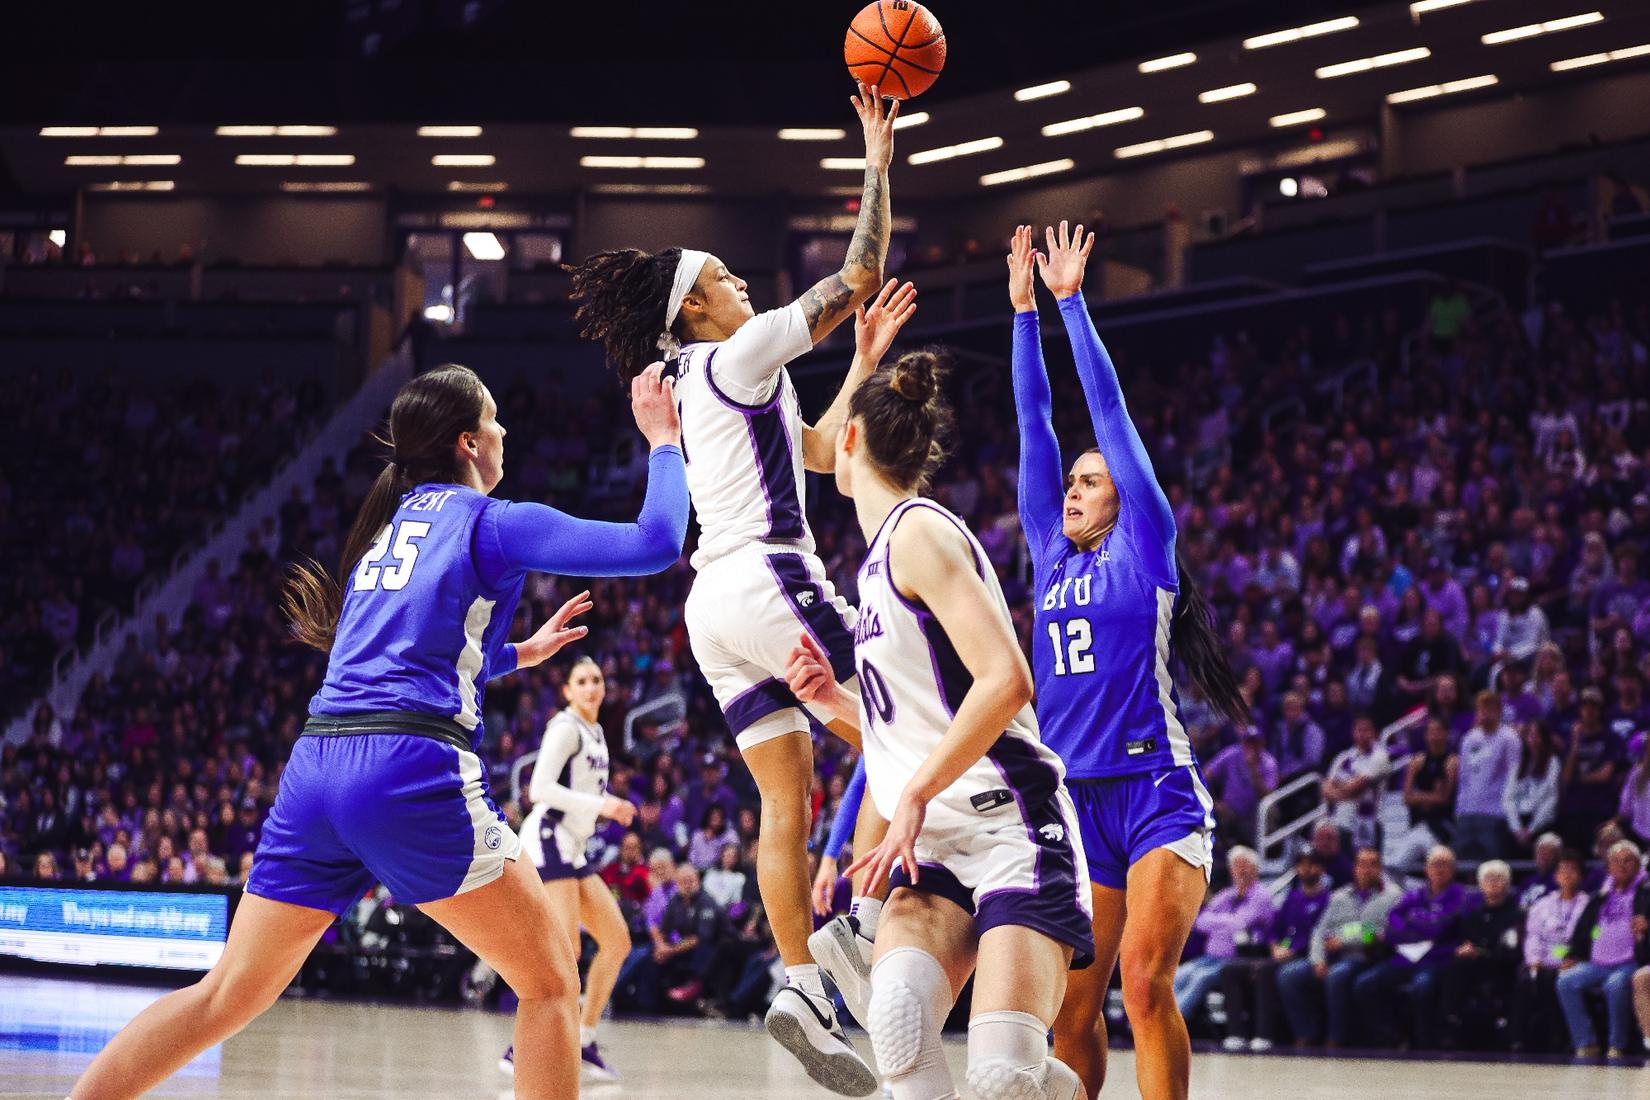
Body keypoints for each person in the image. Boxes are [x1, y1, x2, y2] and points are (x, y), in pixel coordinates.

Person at [68, 363, 689, 1100]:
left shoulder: (386, 534)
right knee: (551, 978)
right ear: (468, 443)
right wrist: (663, 439)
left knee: (226, 994)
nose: (504, 433)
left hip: (318, 766)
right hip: (408, 769)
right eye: (494, 420)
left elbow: (418, 657)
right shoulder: (496, 521)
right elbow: (656, 541)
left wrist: (522, 653)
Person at [561, 87, 903, 1093]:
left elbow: (823, 451)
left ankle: (799, 981)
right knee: (904, 718)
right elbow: (859, 270)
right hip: (770, 572)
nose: (741, 278)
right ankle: (863, 926)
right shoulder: (742, 349)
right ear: (693, 309)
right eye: (722, 275)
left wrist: (863, 359)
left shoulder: (727, 380)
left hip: (713, 611)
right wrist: (876, 162)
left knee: (783, 801)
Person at [783, 342, 1093, 1100]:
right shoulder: (876, 561)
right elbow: (917, 734)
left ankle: (1040, 1086)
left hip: (1011, 826)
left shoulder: (920, 532)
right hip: (935, 848)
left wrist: (915, 794)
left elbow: (1008, 680)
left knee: (998, 1079)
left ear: (849, 440)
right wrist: (834, 707)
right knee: (896, 1021)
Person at [1007, 221, 1249, 1100]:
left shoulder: (1146, 546)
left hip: (1154, 793)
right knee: (1074, 1010)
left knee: (1144, 985)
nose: (1072, 488)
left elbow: (1107, 415)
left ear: (1123, 497)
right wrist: (1021, 317)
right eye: (1069, 480)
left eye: (1090, 481)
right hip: (1076, 799)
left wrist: (1071, 306)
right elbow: (1034, 420)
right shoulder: (1048, 550)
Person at [500, 656, 635, 1083]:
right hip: (547, 838)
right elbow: (539, 789)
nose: (592, 686)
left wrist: (607, 803)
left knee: (616, 942)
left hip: (573, 846)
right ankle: (519, 1049)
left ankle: (584, 1038)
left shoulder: (595, 732)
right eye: (582, 680)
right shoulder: (565, 727)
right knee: (565, 951)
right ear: (568, 691)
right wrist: (604, 805)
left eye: (597, 678)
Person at [1275, 846, 1401, 1048]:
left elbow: (1380, 933)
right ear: (1355, 868)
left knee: (1337, 975)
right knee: (1288, 974)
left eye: (1372, 864)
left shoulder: (1393, 897)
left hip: (1366, 957)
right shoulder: (1340, 896)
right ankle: (1306, 1033)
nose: (1366, 869)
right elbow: (1319, 931)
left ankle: (1336, 1038)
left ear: (1380, 868)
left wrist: (1344, 938)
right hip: (1331, 956)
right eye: (1362, 864)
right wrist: (1318, 960)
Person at [1352, 845, 1472, 1049]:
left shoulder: (1462, 896)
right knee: (1365, 984)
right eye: (1435, 864)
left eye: (1444, 865)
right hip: (1403, 957)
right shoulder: (1413, 895)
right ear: (1426, 869)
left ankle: (1424, 1043)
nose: (1439, 869)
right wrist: (1420, 929)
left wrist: (1413, 927)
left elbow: (1441, 928)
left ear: (1453, 869)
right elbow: (1392, 925)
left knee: (1422, 987)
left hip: (1436, 959)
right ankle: (1391, 1036)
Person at [1220, 847, 1333, 1052]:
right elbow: (1275, 928)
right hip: (1279, 953)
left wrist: (1294, 950)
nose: (1306, 869)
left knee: (1266, 972)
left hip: (1305, 956)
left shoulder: (1327, 899)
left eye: (1311, 865)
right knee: (1231, 969)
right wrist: (1274, 945)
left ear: (1321, 869)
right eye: (1302, 865)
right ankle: (1236, 1033)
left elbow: (1320, 933)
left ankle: (1265, 1034)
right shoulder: (1293, 897)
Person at [1556, 839, 1646, 1058]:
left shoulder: (1646, 894)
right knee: (1566, 981)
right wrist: (1572, 956)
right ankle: (1586, 1043)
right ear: (1609, 867)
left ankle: (1618, 1045)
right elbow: (1584, 931)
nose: (1622, 866)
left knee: (1615, 986)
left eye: (1627, 861)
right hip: (1597, 963)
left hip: (1630, 963)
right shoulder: (1599, 898)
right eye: (1616, 861)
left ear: (1637, 866)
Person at [1173, 847, 1272, 1026]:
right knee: (1178, 975)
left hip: (1236, 961)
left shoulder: (1261, 896)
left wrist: (1218, 922)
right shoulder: (1226, 895)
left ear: (1255, 869)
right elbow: (1201, 921)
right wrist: (1228, 922)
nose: (1240, 870)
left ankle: (1173, 1024)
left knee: (1200, 978)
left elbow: (1242, 923)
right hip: (1209, 958)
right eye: (1236, 866)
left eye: (1245, 865)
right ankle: (1158, 1020)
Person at [1437, 860, 1521, 1049]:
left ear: (1507, 883)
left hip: (1503, 964)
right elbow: (1464, 940)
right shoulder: (1473, 915)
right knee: (1455, 964)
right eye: (1488, 878)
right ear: (1480, 884)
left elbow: (1511, 948)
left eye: (1498, 878)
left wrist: (1480, 951)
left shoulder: (1516, 914)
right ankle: (1451, 1022)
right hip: (1473, 966)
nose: (1492, 882)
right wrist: (1464, 949)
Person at [1514, 849, 1589, 1053]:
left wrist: (1578, 956)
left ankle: (1559, 1035)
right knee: (1525, 977)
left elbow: (1596, 934)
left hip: (1574, 957)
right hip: (1543, 956)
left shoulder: (1589, 905)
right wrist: (1534, 959)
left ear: (1581, 876)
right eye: (1562, 870)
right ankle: (1520, 1037)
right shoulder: (1541, 905)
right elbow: (1533, 935)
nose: (1567, 874)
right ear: (1555, 876)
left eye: (1572, 870)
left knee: (1552, 978)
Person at [1455, 691, 1520, 860]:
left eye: (1489, 709)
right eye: (1481, 709)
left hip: (1495, 811)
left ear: (1498, 711)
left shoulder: (1509, 738)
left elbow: (1515, 775)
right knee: (1463, 860)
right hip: (1467, 811)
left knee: (1492, 859)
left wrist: (1507, 809)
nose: (1484, 714)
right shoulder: (1469, 738)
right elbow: (1464, 777)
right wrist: (1460, 808)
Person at [1320, 715, 1391, 852]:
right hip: (1341, 823)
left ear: (1374, 733)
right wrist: (1343, 791)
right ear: (1353, 732)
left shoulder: (1380, 757)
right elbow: (1325, 790)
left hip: (1368, 822)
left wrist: (1340, 789)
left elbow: (1353, 788)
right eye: (1359, 729)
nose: (1362, 734)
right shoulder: (1343, 757)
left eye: (1366, 730)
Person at [1504, 720, 1561, 855]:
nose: (1533, 739)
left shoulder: (1552, 762)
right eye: (1530, 735)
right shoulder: (1519, 765)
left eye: (1537, 735)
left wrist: (1531, 829)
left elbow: (1551, 798)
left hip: (1541, 823)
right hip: (1519, 823)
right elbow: (1508, 799)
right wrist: (1517, 828)